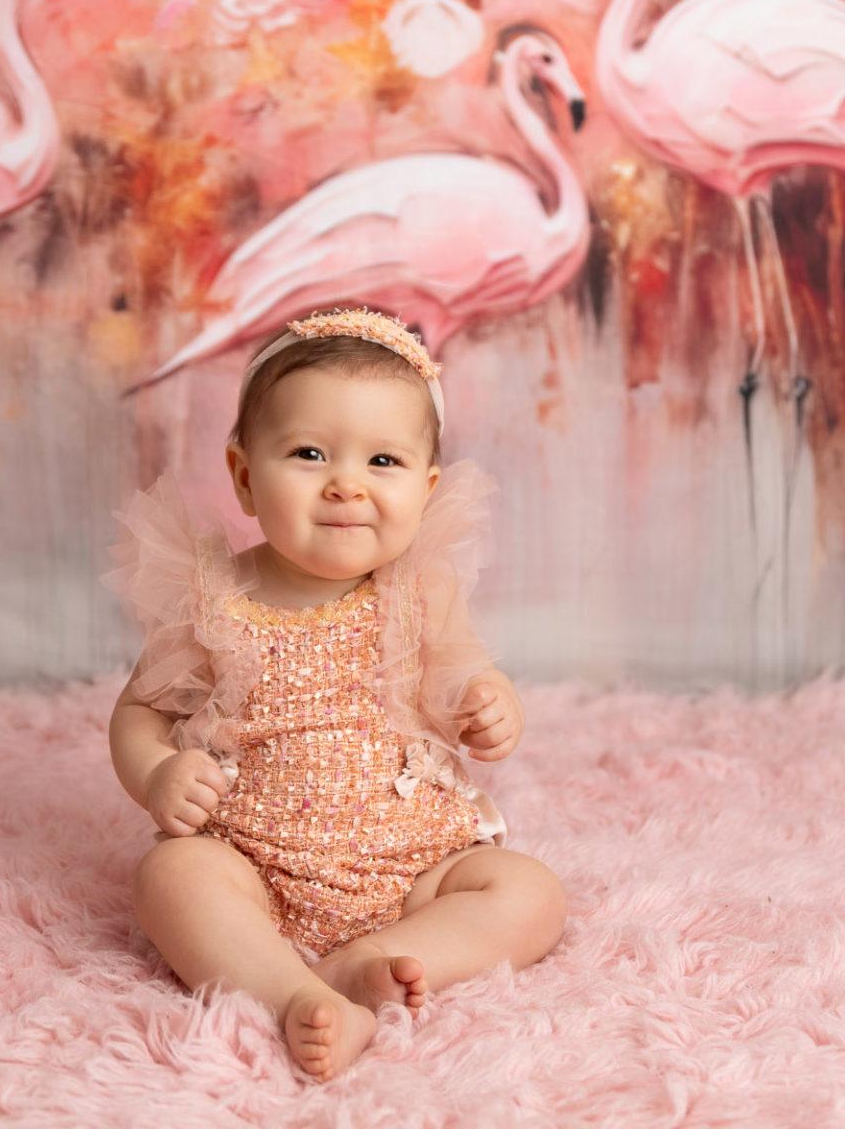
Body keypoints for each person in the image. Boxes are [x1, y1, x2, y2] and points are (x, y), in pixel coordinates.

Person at [103, 306, 566, 1081]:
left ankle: (377, 957)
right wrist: (156, 774)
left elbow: (460, 681)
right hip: (253, 860)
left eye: (382, 462)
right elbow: (140, 714)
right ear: (246, 477)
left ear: (425, 488)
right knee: (170, 878)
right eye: (310, 453)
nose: (347, 485)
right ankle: (287, 991)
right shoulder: (211, 597)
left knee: (531, 893)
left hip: (415, 860)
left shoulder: (419, 591)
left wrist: (487, 705)